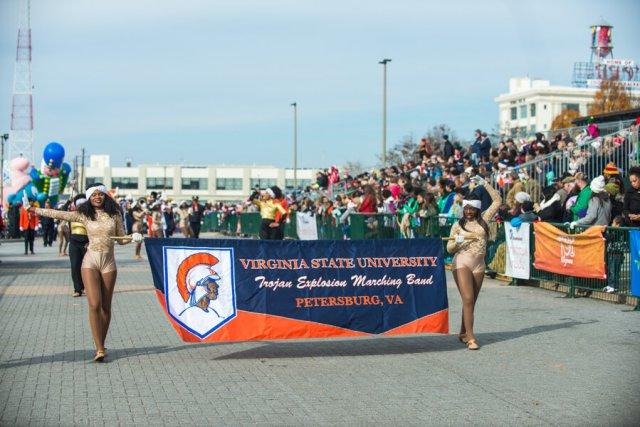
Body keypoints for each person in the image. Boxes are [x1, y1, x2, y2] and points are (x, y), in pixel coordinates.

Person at [30, 183, 143, 362]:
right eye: (93, 195)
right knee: (94, 304)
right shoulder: (83, 215)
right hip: (90, 262)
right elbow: (60, 214)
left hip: (109, 263)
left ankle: (101, 343)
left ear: (105, 196)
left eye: (100, 194)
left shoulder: (115, 214)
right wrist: (35, 210)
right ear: (89, 198)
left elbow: (121, 239)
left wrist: (132, 237)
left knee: (106, 307)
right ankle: (99, 349)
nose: (97, 197)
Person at [447, 178, 501, 350]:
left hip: (479, 264)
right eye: (466, 209)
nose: (468, 212)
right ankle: (471, 338)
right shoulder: (458, 225)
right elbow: (449, 248)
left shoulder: (484, 219)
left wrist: (484, 183)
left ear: (477, 209)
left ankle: (463, 332)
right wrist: (457, 242)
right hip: (462, 262)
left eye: (471, 209)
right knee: (468, 298)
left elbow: (498, 200)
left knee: (470, 301)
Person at [68, 195, 88, 297]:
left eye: (83, 204)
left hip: (86, 243)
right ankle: (77, 289)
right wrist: (68, 201)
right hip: (74, 243)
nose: (80, 206)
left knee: (86, 267)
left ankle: (87, 287)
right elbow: (60, 211)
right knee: (75, 266)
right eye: (78, 204)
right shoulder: (71, 215)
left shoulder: (90, 216)